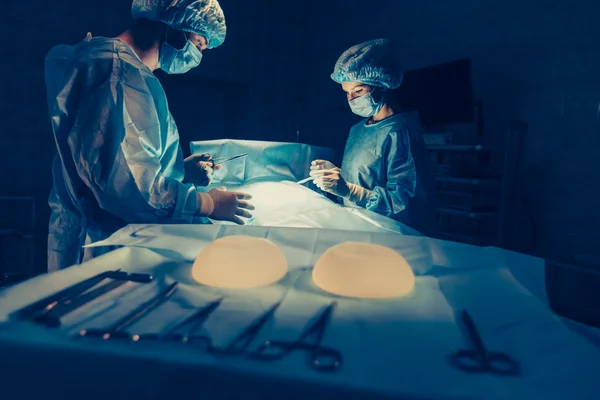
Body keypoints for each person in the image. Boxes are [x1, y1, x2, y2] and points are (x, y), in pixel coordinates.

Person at [45, 0, 254, 272]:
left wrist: (179, 171)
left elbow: (111, 164)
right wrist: (208, 203)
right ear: (176, 29)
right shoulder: (119, 75)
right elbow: (129, 189)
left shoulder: (105, 62)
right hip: (106, 250)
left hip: (95, 241)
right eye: (199, 44)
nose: (197, 56)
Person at [310, 39, 436, 234]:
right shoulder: (358, 130)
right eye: (347, 93)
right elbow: (368, 176)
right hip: (356, 225)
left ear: (381, 85)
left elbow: (406, 207)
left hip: (389, 234)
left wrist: (350, 191)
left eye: (358, 90)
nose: (351, 99)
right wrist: (335, 176)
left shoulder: (400, 132)